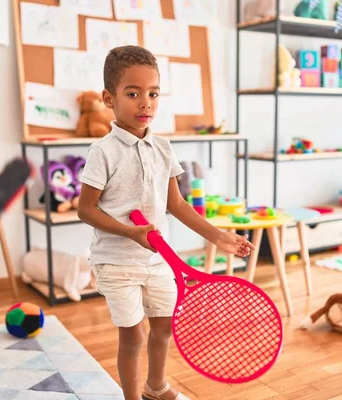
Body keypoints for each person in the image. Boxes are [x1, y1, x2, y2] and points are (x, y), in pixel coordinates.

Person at [77, 45, 255, 400]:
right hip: (117, 263)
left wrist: (218, 237)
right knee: (134, 336)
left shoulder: (163, 147)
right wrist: (131, 232)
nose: (146, 103)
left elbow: (177, 203)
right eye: (133, 93)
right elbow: (86, 210)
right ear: (109, 99)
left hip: (158, 261)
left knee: (164, 329)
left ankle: (156, 389)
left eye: (153, 94)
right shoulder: (103, 151)